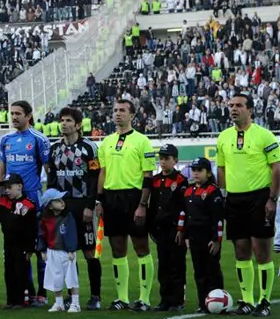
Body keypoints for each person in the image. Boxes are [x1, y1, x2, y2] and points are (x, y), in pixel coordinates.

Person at [216, 93, 280, 316]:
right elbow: (221, 168)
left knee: (262, 252)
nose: (234, 109)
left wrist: (272, 199)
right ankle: (247, 301)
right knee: (241, 251)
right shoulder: (223, 137)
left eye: (239, 105)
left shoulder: (265, 135)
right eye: (231, 105)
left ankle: (264, 302)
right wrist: (223, 195)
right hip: (234, 199)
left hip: (260, 198)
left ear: (250, 110)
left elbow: (276, 168)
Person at [95, 100, 156, 312]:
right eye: (115, 111)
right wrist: (99, 201)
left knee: (141, 248)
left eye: (122, 111)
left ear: (132, 115)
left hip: (134, 198)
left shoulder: (142, 141)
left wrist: (142, 204)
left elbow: (148, 176)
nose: (117, 114)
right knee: (117, 249)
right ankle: (122, 298)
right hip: (112, 199)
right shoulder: (106, 142)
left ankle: (144, 299)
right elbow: (102, 173)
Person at [46, 107, 101, 310]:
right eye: (62, 120)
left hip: (82, 205)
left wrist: (90, 205)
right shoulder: (54, 149)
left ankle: (95, 296)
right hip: (62, 207)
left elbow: (94, 178)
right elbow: (51, 178)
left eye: (68, 120)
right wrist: (51, 202)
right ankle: (71, 296)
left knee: (89, 253)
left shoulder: (89, 147)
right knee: (67, 254)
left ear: (77, 125)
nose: (64, 124)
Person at [0, 100, 51, 306]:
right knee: (19, 250)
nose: (14, 117)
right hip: (12, 203)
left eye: (18, 113)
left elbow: (48, 168)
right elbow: (2, 166)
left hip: (33, 201)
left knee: (38, 248)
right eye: (12, 113)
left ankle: (42, 293)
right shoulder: (6, 139)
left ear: (28, 115)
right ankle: (25, 292)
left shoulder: (39, 139)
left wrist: (49, 196)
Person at [145, 144, 188, 312]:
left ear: (175, 160)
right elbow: (152, 205)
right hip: (160, 229)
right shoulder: (155, 180)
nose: (163, 162)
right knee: (163, 266)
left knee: (177, 265)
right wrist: (151, 227)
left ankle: (177, 300)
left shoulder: (181, 181)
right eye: (161, 158)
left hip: (175, 230)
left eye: (167, 159)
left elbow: (184, 207)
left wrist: (182, 230)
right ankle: (165, 299)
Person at [179, 157, 225, 312]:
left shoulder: (213, 191)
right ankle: (202, 303)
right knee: (198, 272)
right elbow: (184, 215)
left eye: (200, 170)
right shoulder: (188, 191)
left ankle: (218, 302)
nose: (196, 173)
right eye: (194, 170)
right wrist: (184, 235)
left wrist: (216, 240)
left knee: (212, 270)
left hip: (208, 238)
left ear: (208, 173)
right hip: (193, 237)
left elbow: (218, 219)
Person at [0, 173, 38, 308]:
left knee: (20, 271)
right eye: (5, 187)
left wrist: (30, 249)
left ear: (20, 186)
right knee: (9, 271)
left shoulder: (29, 205)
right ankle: (11, 300)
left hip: (22, 244)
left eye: (10, 187)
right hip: (8, 243)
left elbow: (31, 229)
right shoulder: (3, 201)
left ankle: (21, 300)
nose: (7, 190)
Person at [39, 189, 81, 313]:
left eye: (62, 200)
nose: (62, 202)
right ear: (50, 205)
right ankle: (59, 303)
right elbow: (41, 234)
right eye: (58, 200)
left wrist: (71, 250)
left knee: (71, 278)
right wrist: (42, 250)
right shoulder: (44, 219)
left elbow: (72, 233)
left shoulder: (68, 217)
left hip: (66, 253)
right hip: (52, 252)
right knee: (55, 279)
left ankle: (75, 303)